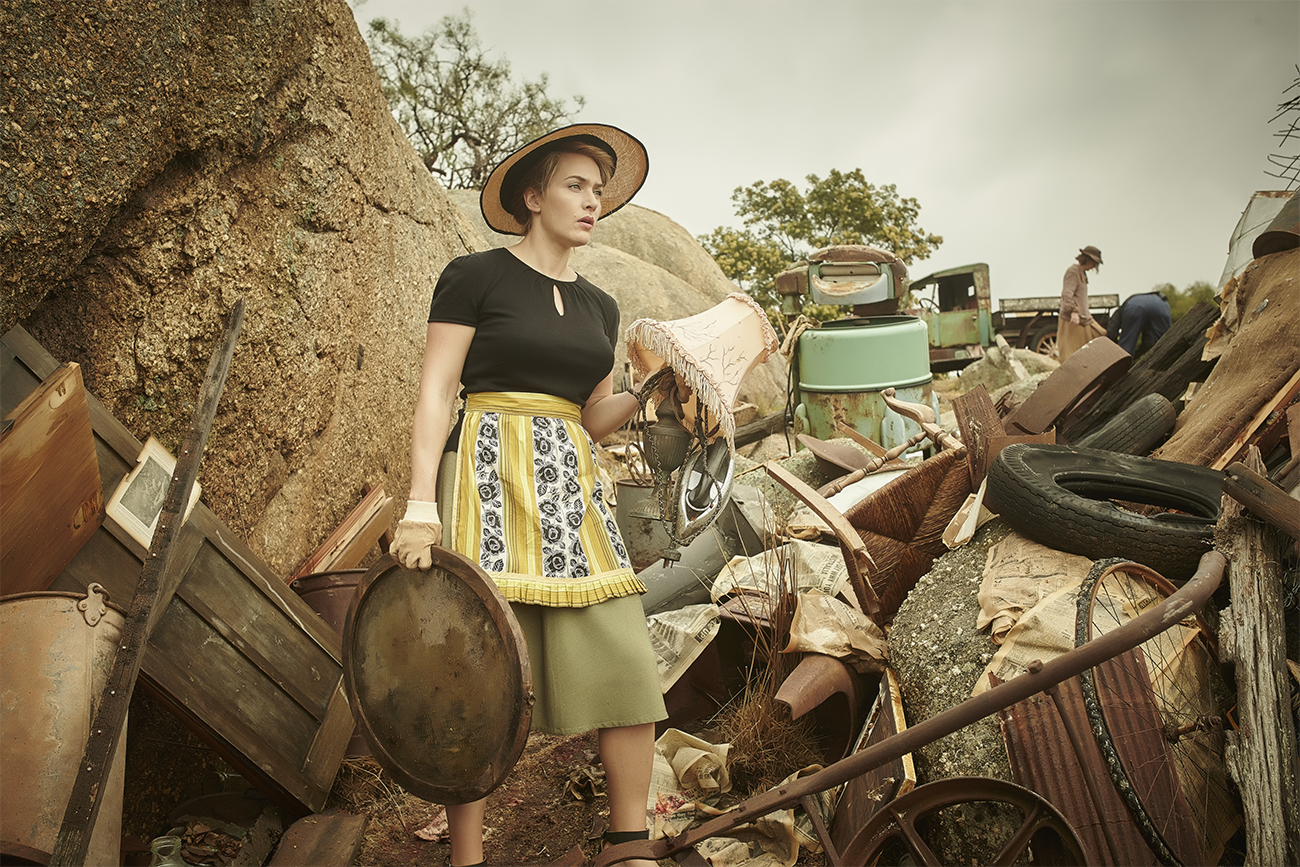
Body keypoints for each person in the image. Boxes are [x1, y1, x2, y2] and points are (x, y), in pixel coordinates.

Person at [389, 124, 666, 867]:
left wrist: (646, 385)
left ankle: (627, 841)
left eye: (598, 191)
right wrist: (421, 502)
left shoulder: (602, 306)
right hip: (483, 475)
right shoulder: (474, 276)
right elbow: (437, 389)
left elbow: (595, 415)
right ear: (533, 196)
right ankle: (468, 856)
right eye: (575, 185)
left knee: (626, 653)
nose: (591, 202)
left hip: (572, 485)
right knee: (475, 671)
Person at [1057, 245, 1105, 362]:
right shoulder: (1073, 271)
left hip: (1083, 318)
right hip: (1073, 320)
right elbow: (1067, 294)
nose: (1094, 266)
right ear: (1087, 259)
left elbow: (1080, 298)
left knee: (1101, 335)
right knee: (1072, 356)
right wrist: (1073, 311)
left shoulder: (1081, 273)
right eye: (1094, 262)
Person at [1106, 290, 1171, 357]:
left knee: (1126, 346)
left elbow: (1111, 331)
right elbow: (1148, 342)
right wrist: (1137, 355)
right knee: (1166, 343)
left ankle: (1123, 362)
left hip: (1135, 305)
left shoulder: (1121, 310)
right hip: (1162, 304)